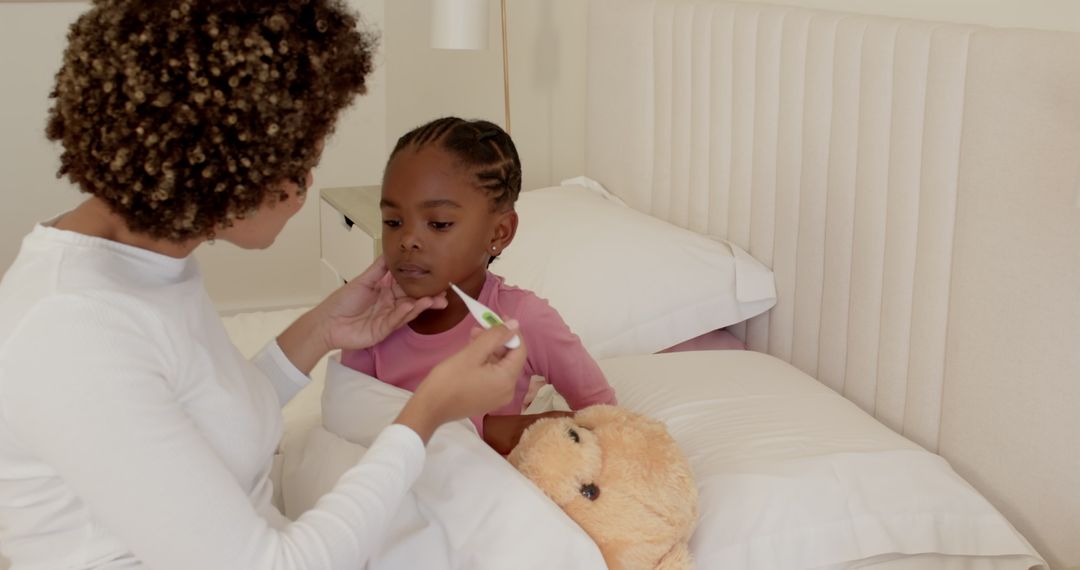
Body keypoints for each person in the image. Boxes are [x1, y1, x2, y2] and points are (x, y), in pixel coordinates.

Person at [0, 1, 525, 568]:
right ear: (231, 168)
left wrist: (323, 329)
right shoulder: (70, 330)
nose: (307, 183)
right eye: (299, 161)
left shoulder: (144, 259)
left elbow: (203, 421)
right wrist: (426, 412)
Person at [339, 117, 617, 455]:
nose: (408, 239)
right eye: (393, 222)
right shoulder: (373, 314)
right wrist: (489, 429)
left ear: (499, 234)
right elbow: (348, 421)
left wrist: (529, 430)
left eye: (439, 224)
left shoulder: (523, 319)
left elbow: (606, 418)